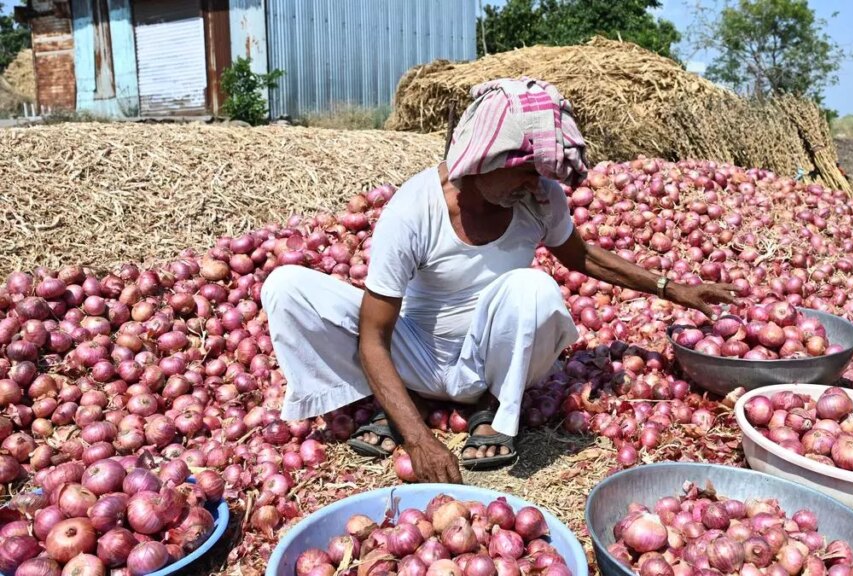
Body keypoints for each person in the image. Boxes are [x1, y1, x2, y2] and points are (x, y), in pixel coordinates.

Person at [262, 78, 736, 484]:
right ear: (480, 158)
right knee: (287, 287)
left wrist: (671, 289)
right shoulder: (413, 208)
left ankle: (494, 414)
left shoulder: (541, 198)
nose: (534, 184)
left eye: (541, 173)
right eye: (525, 172)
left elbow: (581, 257)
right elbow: (374, 335)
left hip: (488, 365)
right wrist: (420, 441)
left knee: (534, 288)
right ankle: (397, 405)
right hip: (417, 357)